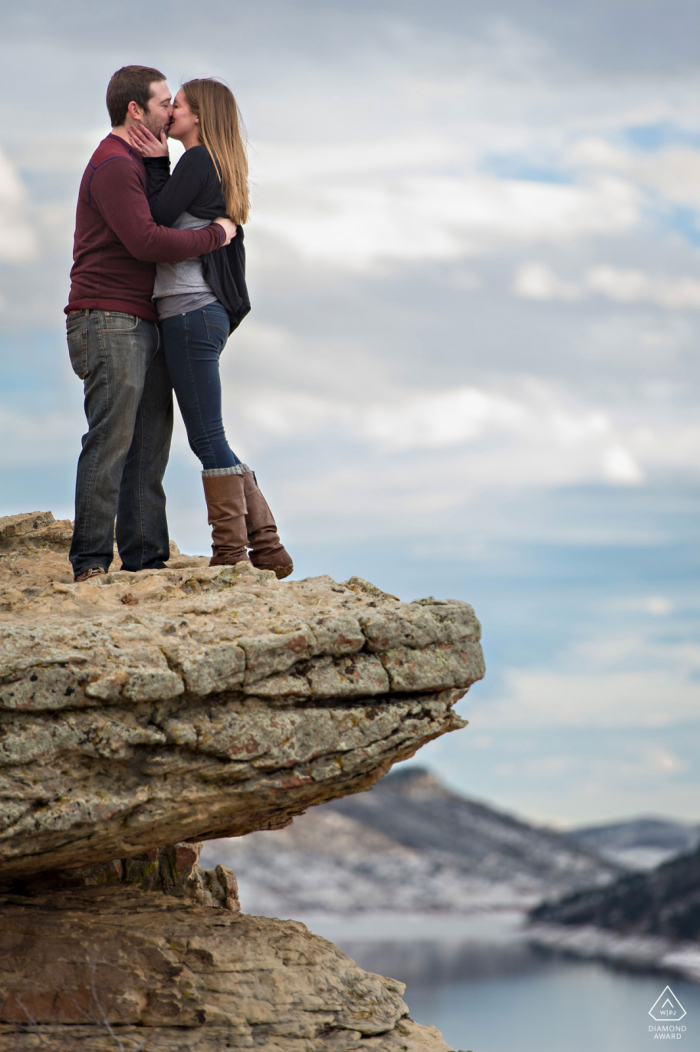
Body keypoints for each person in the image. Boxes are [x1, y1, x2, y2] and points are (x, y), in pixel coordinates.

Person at [65, 66, 238, 583]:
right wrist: (216, 235)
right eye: (165, 102)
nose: (171, 110)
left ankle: (146, 560)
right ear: (135, 110)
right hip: (106, 316)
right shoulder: (115, 164)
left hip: (142, 317)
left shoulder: (140, 163)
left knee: (149, 443)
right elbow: (147, 241)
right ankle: (91, 563)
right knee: (113, 438)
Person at [127, 78, 293, 578]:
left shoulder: (197, 161)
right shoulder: (213, 163)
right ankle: (266, 548)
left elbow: (151, 218)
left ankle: (234, 553)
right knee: (210, 435)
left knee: (207, 437)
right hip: (201, 313)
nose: (170, 111)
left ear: (198, 115)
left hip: (189, 311)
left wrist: (155, 164)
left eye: (177, 104)